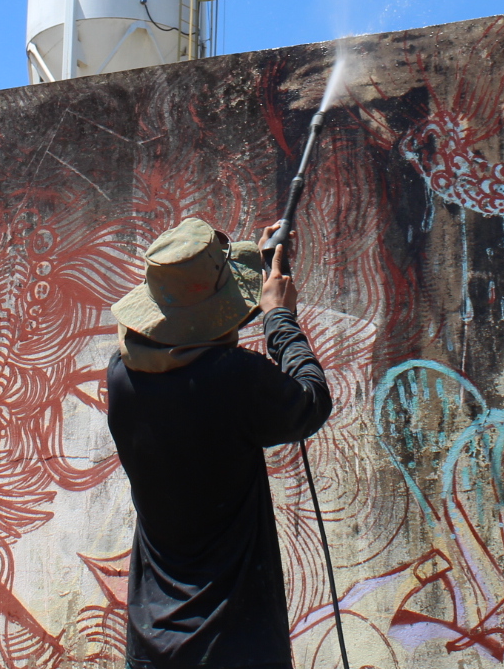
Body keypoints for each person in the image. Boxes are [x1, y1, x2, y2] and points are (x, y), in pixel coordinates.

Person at [106, 216, 333, 669]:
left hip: (153, 642)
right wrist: (279, 320)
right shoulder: (232, 379)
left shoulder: (122, 376)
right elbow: (311, 401)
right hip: (233, 644)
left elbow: (198, 337)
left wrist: (263, 266)